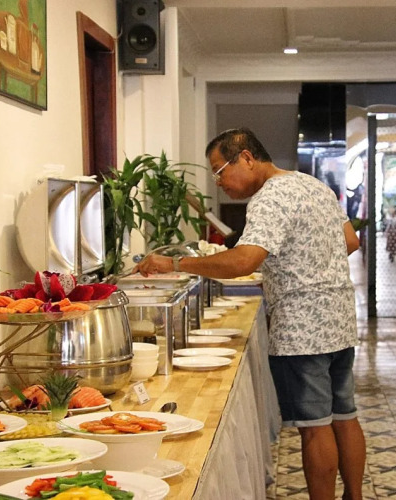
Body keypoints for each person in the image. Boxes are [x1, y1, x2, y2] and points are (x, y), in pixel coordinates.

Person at [133, 128, 366, 500]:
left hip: (301, 329)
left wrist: (174, 263)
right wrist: (301, 266)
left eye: (219, 170)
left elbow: (244, 261)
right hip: (339, 320)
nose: (219, 182)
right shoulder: (313, 185)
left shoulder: (268, 197)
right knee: (344, 415)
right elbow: (350, 241)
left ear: (246, 157)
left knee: (315, 427)